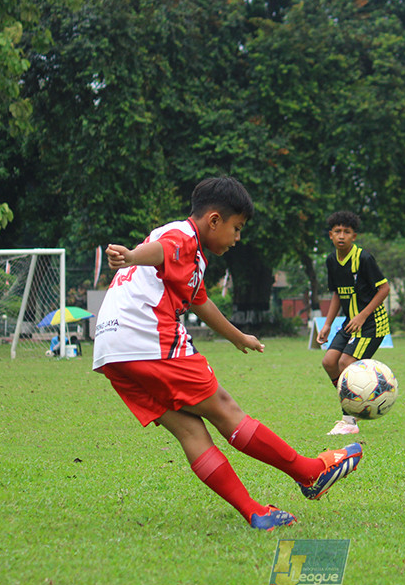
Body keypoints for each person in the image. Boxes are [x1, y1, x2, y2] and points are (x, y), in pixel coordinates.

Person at [93, 176, 363, 531]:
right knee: (225, 409)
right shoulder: (182, 236)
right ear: (214, 220)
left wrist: (238, 337)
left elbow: (199, 301)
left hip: (111, 351)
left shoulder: (186, 252)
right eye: (236, 228)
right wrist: (130, 255)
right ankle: (310, 471)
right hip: (147, 338)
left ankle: (254, 512)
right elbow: (161, 252)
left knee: (190, 431)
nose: (237, 238)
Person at [316, 211, 391, 435]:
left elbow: (384, 288)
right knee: (329, 362)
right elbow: (338, 294)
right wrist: (328, 324)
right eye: (337, 231)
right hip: (350, 322)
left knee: (345, 363)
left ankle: (349, 421)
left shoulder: (364, 259)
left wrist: (362, 316)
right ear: (330, 235)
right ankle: (355, 404)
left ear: (354, 236)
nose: (341, 236)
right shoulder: (331, 260)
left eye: (346, 232)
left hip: (371, 324)